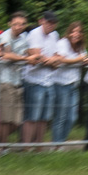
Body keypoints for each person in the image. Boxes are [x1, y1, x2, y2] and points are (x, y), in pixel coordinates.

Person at [21, 10, 60, 147]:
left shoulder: (55, 35)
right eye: (49, 22)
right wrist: (51, 61)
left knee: (44, 117)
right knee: (32, 116)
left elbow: (57, 57)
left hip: (49, 80)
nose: (51, 25)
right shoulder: (34, 34)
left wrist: (50, 60)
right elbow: (37, 57)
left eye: (54, 22)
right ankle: (26, 146)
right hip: (34, 80)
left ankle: (39, 146)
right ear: (41, 21)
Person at [0, 12, 29, 149]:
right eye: (16, 24)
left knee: (17, 121)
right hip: (4, 80)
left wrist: (33, 57)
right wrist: (26, 59)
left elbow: (28, 53)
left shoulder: (24, 38)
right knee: (5, 119)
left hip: (17, 81)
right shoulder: (4, 36)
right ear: (10, 24)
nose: (19, 27)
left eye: (22, 24)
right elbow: (7, 55)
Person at [51, 21, 88, 145]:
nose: (76, 34)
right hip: (61, 84)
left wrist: (87, 60)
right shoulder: (63, 43)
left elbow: (85, 58)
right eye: (73, 31)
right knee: (61, 116)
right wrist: (78, 59)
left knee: (72, 117)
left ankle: (61, 141)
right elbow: (60, 59)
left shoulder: (80, 46)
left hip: (74, 84)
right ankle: (56, 145)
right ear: (69, 32)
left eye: (79, 32)